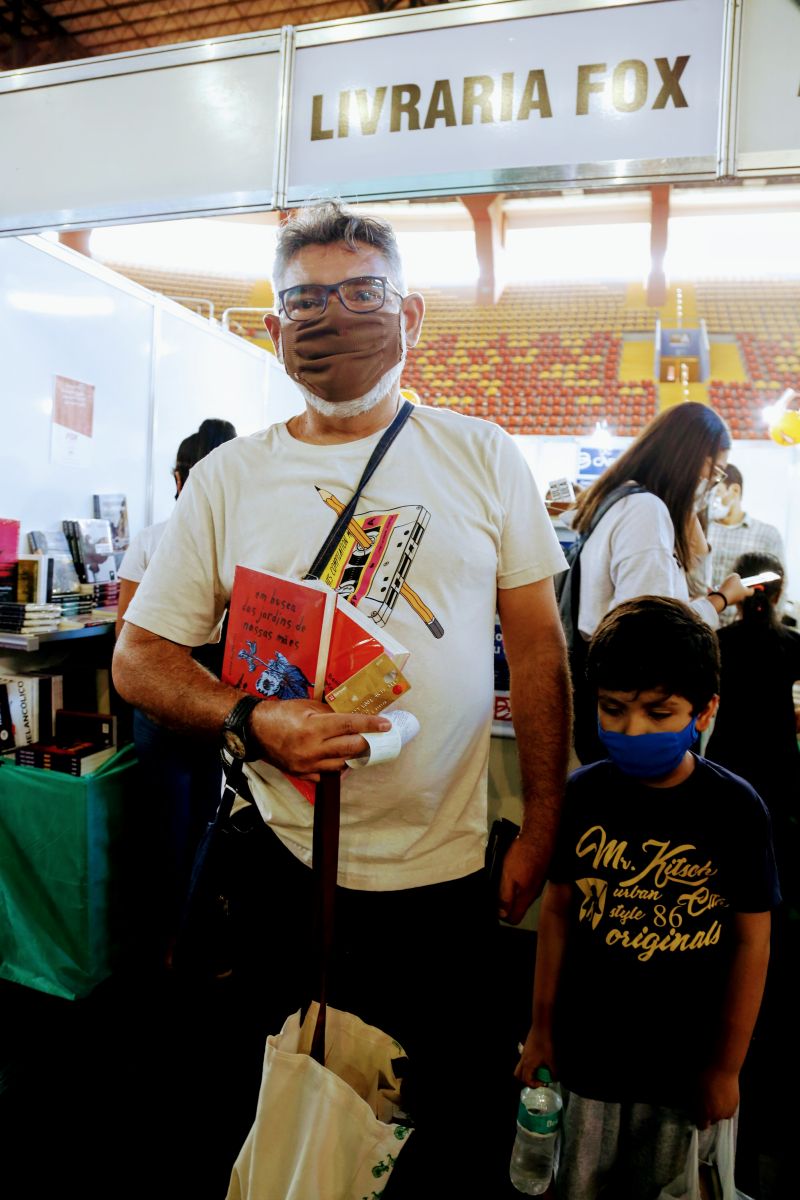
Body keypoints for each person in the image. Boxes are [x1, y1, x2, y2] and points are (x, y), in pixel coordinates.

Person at [112, 200, 571, 1195]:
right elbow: (141, 656)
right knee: (281, 1108)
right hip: (281, 865)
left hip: (444, 872)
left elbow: (537, 652)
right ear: (273, 330)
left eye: (361, 293)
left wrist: (541, 824)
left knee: (432, 1119)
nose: (334, 317)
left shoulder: (482, 454)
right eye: (306, 301)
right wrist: (252, 719)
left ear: (411, 314)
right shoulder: (231, 478)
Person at [516, 596, 780, 1200]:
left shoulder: (737, 811)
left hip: (682, 1068)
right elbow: (556, 913)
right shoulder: (581, 797)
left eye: (660, 713)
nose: (633, 730)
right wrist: (541, 1030)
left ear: (705, 710)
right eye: (614, 710)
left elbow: (752, 943)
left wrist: (726, 1067)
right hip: (588, 1062)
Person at [566, 402, 752, 762]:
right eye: (714, 472)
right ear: (686, 457)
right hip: (639, 712)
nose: (711, 485)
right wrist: (721, 600)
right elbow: (653, 632)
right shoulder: (644, 511)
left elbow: (678, 591)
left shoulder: (625, 501)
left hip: (621, 703)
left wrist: (691, 525)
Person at [116, 417, 237, 967]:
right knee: (208, 823)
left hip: (165, 695)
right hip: (222, 700)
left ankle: (168, 944)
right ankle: (195, 941)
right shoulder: (247, 544)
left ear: (179, 477)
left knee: (169, 826)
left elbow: (126, 635)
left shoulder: (152, 538)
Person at [705, 552, 800, 881]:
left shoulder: (718, 643)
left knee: (724, 851)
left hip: (728, 756)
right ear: (778, 592)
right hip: (780, 760)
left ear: (739, 594)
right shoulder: (792, 643)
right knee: (775, 854)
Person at [709, 463, 786, 626]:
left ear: (735, 490)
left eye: (717, 492)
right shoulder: (701, 532)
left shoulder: (767, 535)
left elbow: (780, 586)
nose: (711, 499)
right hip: (705, 627)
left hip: (750, 631)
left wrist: (770, 629)